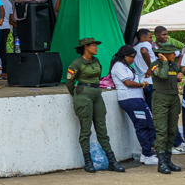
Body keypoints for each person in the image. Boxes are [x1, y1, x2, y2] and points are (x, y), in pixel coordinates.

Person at [65, 38, 125, 173]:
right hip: (83, 95)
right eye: (93, 46)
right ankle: (88, 161)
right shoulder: (77, 63)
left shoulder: (96, 61)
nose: (96, 48)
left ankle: (112, 161)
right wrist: (76, 94)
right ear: (86, 47)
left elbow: (98, 77)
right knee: (86, 130)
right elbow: (69, 82)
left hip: (97, 94)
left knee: (102, 129)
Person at [108, 45, 157, 166]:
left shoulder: (126, 66)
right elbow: (127, 83)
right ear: (125, 56)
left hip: (137, 98)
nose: (133, 59)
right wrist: (142, 85)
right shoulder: (118, 66)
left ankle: (146, 154)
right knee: (141, 126)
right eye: (132, 57)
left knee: (150, 124)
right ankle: (147, 154)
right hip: (129, 99)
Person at [150, 44, 183, 174]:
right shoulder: (155, 64)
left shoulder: (174, 65)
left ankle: (168, 160)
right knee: (162, 130)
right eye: (171, 53)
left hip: (173, 98)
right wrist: (163, 61)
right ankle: (161, 161)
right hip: (160, 98)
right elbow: (162, 76)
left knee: (172, 130)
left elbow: (172, 77)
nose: (174, 55)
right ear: (162, 54)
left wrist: (179, 76)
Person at [133, 28, 155, 105]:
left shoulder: (134, 48)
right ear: (143, 38)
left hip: (141, 82)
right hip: (150, 82)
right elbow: (144, 51)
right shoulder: (145, 44)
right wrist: (150, 68)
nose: (152, 40)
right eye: (150, 37)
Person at [0, 0, 14, 78]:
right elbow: (11, 18)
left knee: (0, 50)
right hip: (6, 27)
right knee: (2, 49)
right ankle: (5, 71)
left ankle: (4, 72)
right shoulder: (8, 2)